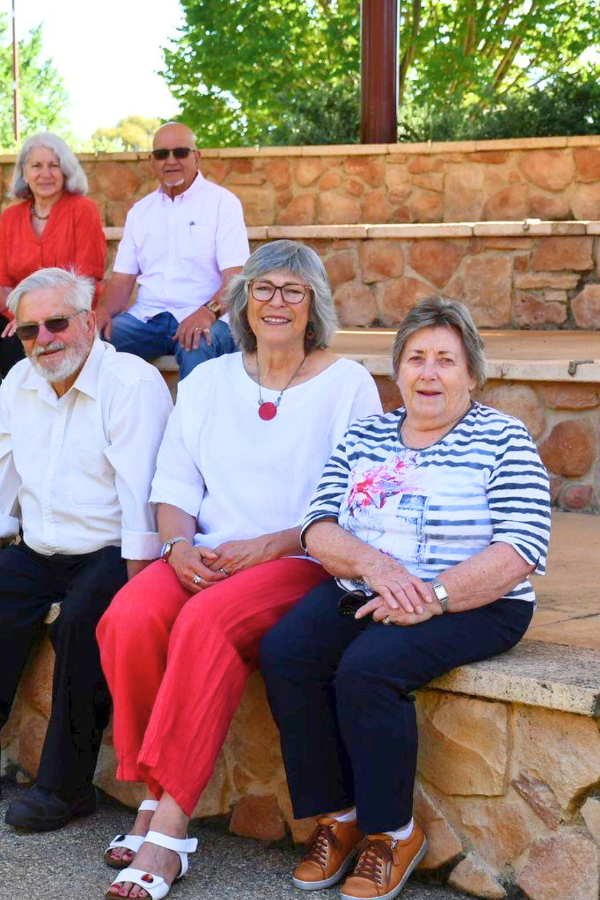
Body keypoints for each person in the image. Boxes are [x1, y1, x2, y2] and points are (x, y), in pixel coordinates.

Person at [95, 241, 381, 900]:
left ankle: (167, 827)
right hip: (208, 553)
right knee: (128, 616)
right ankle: (148, 789)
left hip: (304, 560)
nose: (276, 302)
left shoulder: (347, 387)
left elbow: (354, 503)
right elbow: (174, 484)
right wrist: (176, 548)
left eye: (293, 290)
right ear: (241, 301)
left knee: (204, 624)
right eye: (264, 288)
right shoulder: (207, 382)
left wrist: (276, 544)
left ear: (314, 308)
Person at [259, 296, 551, 900]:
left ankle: (392, 833)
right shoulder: (366, 434)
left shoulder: (503, 437)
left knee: (370, 667)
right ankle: (335, 818)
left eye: (446, 359)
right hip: (368, 586)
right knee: (288, 651)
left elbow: (522, 544)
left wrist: (434, 596)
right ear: (397, 371)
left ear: (472, 372)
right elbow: (318, 524)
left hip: (476, 601)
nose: (429, 372)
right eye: (416, 358)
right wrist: (375, 567)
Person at [0, 268, 172, 832]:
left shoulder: (132, 383)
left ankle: (67, 788)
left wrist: (139, 586)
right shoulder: (21, 380)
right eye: (28, 330)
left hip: (114, 550)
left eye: (56, 323)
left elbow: (142, 494)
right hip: (41, 544)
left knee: (81, 623)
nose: (43, 339)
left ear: (89, 322)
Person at [98, 122, 250, 379]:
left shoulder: (222, 204)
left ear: (197, 157)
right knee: (92, 344)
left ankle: (193, 421)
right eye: (161, 154)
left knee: (197, 345)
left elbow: (235, 278)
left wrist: (206, 312)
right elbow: (122, 281)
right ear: (152, 162)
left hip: (206, 316)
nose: (171, 161)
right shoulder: (140, 212)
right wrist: (99, 313)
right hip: (147, 319)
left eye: (180, 152)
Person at [0, 131, 106, 373]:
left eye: (53, 166)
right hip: (16, 313)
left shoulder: (83, 210)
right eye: (36, 166)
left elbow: (86, 281)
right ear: (24, 172)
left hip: (62, 315)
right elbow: (2, 283)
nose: (45, 174)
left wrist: (33, 316)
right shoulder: (10, 217)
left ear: (65, 170)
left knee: (17, 344)